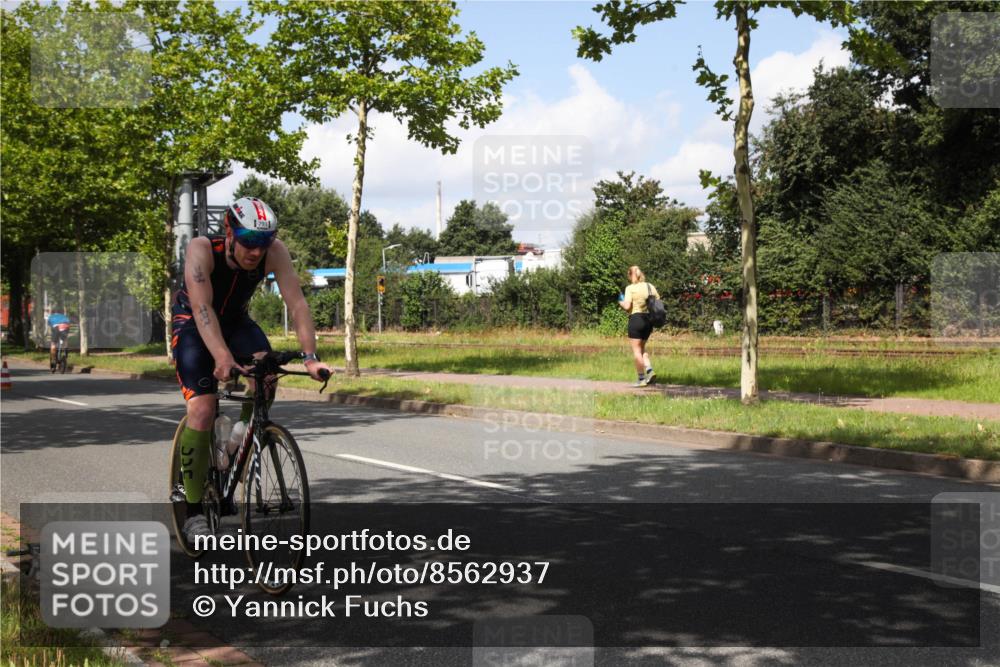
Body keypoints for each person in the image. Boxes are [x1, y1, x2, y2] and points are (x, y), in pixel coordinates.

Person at [171, 196, 332, 544]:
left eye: (264, 242)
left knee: (267, 374)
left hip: (236, 322)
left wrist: (310, 356)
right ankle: (193, 510)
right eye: (249, 241)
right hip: (193, 324)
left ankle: (238, 439)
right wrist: (222, 357)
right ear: (229, 233)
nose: (257, 251)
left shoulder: (276, 252)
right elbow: (202, 308)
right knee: (202, 408)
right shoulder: (202, 250)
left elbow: (297, 303)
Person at [618, 265, 658, 387]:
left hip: (636, 319)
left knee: (636, 351)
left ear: (631, 275)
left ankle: (641, 379)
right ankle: (650, 371)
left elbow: (627, 306)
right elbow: (657, 301)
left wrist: (620, 300)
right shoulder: (650, 286)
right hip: (648, 321)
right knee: (642, 349)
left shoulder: (630, 288)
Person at [47, 306, 71, 372]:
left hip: (56, 329)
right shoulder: (65, 317)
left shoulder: (51, 317)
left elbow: (50, 326)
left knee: (53, 344)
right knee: (65, 341)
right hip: (64, 328)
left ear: (53, 312)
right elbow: (68, 325)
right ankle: (65, 353)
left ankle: (53, 359)